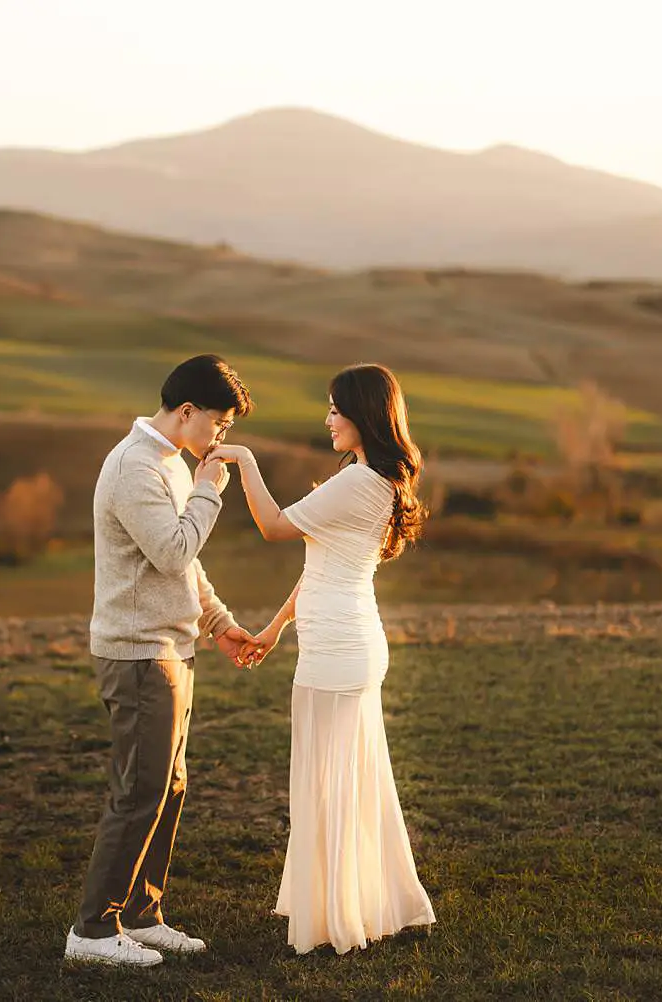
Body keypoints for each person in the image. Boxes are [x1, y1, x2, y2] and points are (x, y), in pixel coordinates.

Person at [204, 362, 436, 955]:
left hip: (338, 649)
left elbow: (276, 528)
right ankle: (348, 903)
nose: (327, 418)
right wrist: (276, 629)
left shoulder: (362, 482)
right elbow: (318, 568)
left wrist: (245, 461)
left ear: (364, 413)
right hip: (342, 641)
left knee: (330, 784)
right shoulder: (366, 476)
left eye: (336, 407)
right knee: (340, 780)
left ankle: (337, 917)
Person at [64, 354, 262, 968]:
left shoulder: (169, 464)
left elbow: (186, 568)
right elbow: (175, 551)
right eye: (219, 424)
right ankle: (92, 932)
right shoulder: (134, 468)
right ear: (186, 412)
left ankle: (143, 915)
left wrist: (221, 624)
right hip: (138, 653)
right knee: (140, 790)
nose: (220, 437)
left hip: (173, 648)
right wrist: (209, 493)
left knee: (168, 787)